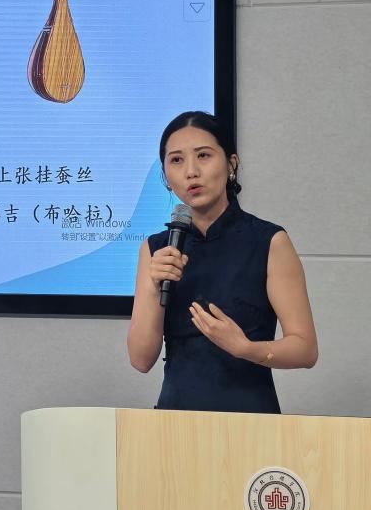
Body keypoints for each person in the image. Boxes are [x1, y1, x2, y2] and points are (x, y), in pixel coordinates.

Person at [127, 111, 318, 413]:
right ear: (166, 177)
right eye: (176, 160)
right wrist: (153, 287)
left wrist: (247, 349)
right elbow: (140, 360)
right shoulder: (157, 249)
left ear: (231, 164)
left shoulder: (269, 241)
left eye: (203, 155)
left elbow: (306, 349)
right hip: (174, 422)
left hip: (250, 421)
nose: (191, 171)